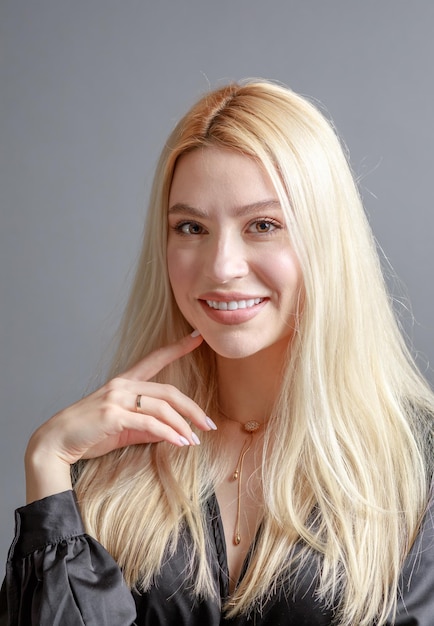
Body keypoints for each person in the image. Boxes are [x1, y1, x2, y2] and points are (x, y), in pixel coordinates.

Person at [1, 80, 433, 626]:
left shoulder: (417, 469)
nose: (223, 265)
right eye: (191, 227)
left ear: (326, 240)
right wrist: (48, 462)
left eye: (263, 225)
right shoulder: (109, 464)